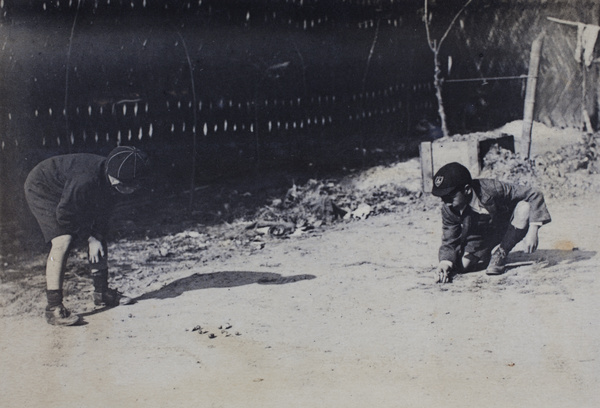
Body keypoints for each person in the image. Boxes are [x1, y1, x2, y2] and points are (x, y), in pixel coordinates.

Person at [24, 146, 150, 326]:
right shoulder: (85, 180)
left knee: (99, 236)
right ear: (116, 181)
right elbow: (65, 215)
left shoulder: (109, 180)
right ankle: (53, 307)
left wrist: (96, 236)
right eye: (133, 185)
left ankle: (102, 293)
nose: (136, 189)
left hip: (69, 189)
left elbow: (103, 215)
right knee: (63, 240)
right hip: (44, 187)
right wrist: (89, 238)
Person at [431, 162, 551, 284]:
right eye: (443, 198)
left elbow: (534, 194)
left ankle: (501, 252)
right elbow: (449, 239)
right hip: (479, 236)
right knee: (463, 266)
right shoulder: (448, 209)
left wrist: (533, 228)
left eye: (449, 197)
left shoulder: (492, 188)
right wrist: (445, 263)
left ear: (467, 190)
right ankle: (488, 254)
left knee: (524, 208)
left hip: (505, 226)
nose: (446, 203)